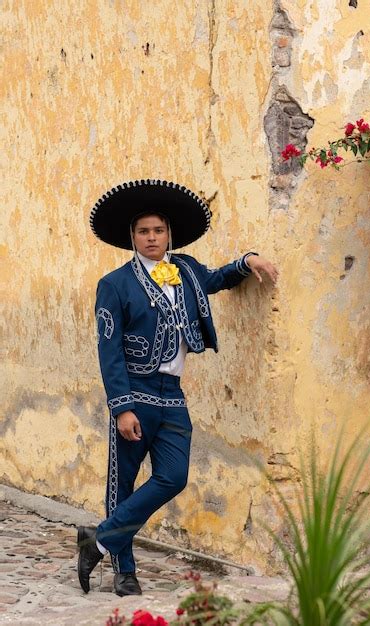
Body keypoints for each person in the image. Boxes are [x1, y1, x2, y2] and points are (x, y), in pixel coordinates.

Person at [78, 179, 277, 597]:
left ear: (168, 233)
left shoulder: (185, 270)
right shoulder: (114, 284)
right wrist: (122, 407)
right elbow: (108, 350)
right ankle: (124, 571)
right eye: (143, 231)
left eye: (158, 230)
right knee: (124, 483)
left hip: (173, 395)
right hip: (135, 393)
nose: (152, 238)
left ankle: (97, 539)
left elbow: (218, 278)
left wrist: (247, 261)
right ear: (132, 237)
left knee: (173, 477)